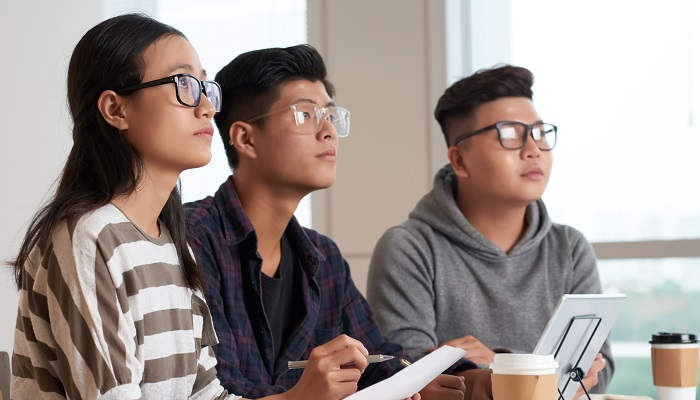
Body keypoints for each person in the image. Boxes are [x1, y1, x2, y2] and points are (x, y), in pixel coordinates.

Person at [9, 14, 376, 400]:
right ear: (116, 110)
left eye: (205, 86)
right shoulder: (89, 236)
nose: (206, 107)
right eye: (184, 84)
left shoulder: (173, 245)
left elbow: (207, 395)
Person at [185, 45, 478, 400]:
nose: (328, 132)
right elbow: (218, 388)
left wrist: (420, 380)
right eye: (306, 115)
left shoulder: (323, 258)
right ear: (245, 138)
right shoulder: (192, 240)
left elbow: (378, 360)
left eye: (330, 115)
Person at [367, 65, 613, 395]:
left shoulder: (569, 247)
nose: (533, 149)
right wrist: (536, 372)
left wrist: (496, 364)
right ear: (460, 161)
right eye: (509, 135)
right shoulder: (409, 248)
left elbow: (602, 367)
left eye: (539, 133)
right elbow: (403, 373)